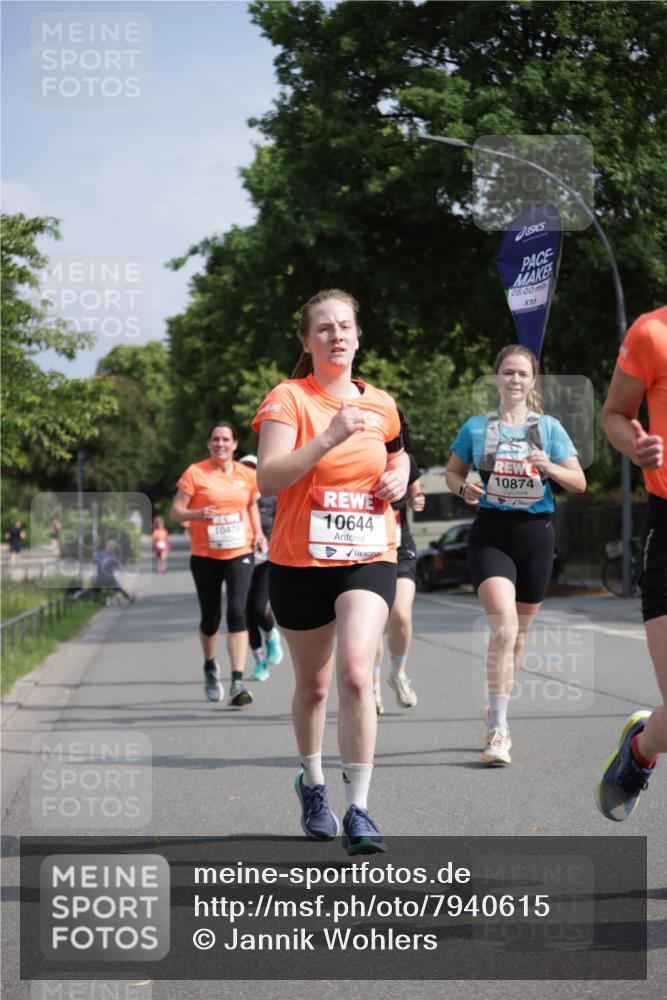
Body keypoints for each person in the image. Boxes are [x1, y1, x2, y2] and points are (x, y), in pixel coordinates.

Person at [253, 289, 409, 854]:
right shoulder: (289, 398)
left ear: (358, 337)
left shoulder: (382, 404)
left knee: (356, 675)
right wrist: (328, 437)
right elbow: (268, 479)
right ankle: (313, 783)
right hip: (299, 562)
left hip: (368, 555)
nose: (336, 335)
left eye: (345, 326)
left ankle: (359, 808)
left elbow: (398, 452)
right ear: (307, 341)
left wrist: (400, 475)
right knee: (314, 688)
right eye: (324, 328)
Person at [445, 344, 585, 766]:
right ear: (496, 378)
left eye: (523, 373)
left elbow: (578, 482)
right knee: (504, 629)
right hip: (492, 535)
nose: (515, 379)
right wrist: (463, 488)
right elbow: (452, 472)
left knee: (519, 637)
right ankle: (498, 729)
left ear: (532, 381)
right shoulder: (476, 428)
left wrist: (549, 466)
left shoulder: (549, 428)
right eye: (508, 372)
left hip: (537, 536)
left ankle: (497, 707)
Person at [597, 304, 666, 821]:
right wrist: (636, 445)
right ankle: (641, 749)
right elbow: (614, 415)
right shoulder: (652, 332)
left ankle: (642, 746)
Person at [170, 423, 267, 707]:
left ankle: (237, 681)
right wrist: (197, 514)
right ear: (209, 444)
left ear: (235, 444)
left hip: (240, 551)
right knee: (211, 618)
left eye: (225, 439)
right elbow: (176, 512)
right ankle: (210, 665)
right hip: (205, 555)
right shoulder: (195, 473)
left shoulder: (246, 474)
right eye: (215, 439)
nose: (220, 444)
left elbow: (251, 505)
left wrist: (259, 533)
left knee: (238, 613)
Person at [373, 412, 426, 714]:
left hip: (400, 545)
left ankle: (398, 673)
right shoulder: (360, 457)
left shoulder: (406, 460)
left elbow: (417, 493)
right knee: (372, 623)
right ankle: (372, 685)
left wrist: (418, 500)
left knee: (400, 615)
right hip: (368, 547)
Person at [239, 455, 284, 682]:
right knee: (244, 616)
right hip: (240, 562)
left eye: (253, 469)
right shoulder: (234, 500)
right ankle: (259, 661)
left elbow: (284, 525)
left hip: (266, 561)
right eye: (244, 469)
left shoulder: (272, 499)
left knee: (259, 610)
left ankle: (270, 634)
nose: (249, 473)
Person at [91, 540, 135, 604]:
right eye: (115, 548)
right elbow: (119, 567)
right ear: (113, 549)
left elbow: (94, 561)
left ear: (106, 546)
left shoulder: (100, 554)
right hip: (110, 580)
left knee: (93, 580)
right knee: (119, 587)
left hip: (99, 580)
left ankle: (93, 599)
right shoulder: (113, 557)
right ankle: (129, 598)